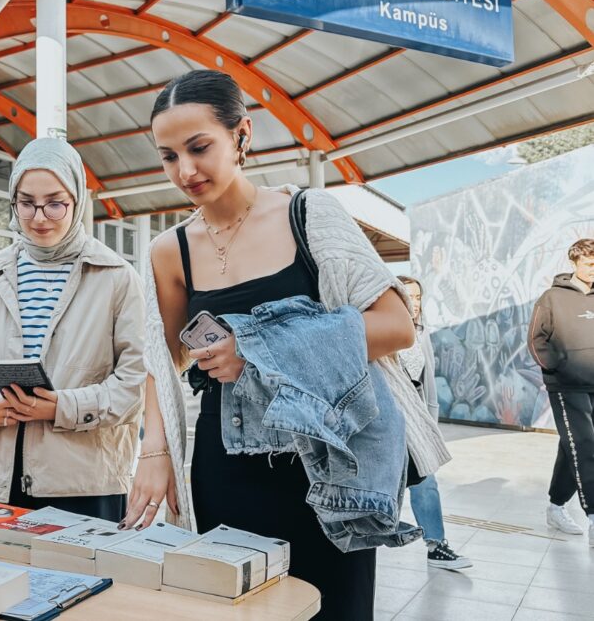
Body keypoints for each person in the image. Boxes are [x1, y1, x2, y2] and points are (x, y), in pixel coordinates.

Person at [122, 69, 448, 620]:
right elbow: (165, 357)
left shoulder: (307, 215)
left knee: (335, 610)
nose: (186, 170)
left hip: (330, 462)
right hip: (225, 466)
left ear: (242, 135)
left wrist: (255, 347)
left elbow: (396, 323)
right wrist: (155, 452)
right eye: (169, 156)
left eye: (200, 147)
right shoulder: (168, 250)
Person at [0, 137, 146, 523]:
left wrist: (62, 407)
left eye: (55, 203)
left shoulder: (117, 277)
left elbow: (134, 384)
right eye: (26, 202)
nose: (39, 217)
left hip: (81, 484)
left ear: (77, 201)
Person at [397, 276, 472, 569]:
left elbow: (427, 382)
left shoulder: (421, 332)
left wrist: (431, 425)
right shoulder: (381, 330)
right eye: (407, 296)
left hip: (417, 416)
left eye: (418, 297)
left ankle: (436, 545)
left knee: (426, 480)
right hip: (388, 418)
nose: (414, 303)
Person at [528, 237, 594, 544]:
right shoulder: (552, 297)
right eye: (589, 263)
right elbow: (536, 339)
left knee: (574, 446)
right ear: (575, 262)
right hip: (567, 385)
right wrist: (558, 367)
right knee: (584, 444)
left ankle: (555, 506)